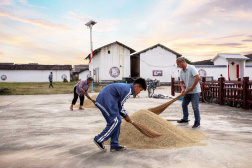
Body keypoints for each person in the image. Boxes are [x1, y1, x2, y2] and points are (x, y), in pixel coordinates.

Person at [93, 77, 147, 152]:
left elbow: (119, 104)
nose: (139, 92)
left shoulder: (127, 88)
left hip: (110, 100)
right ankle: (99, 139)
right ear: (137, 86)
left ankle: (114, 145)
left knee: (118, 121)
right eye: (140, 90)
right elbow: (120, 105)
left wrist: (124, 115)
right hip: (107, 101)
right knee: (115, 121)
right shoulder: (127, 90)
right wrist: (126, 115)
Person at [176, 58, 201, 128]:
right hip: (187, 91)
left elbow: (198, 78)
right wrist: (183, 89)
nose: (178, 65)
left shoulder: (191, 68)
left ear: (182, 62)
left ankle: (197, 122)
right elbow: (181, 82)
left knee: (195, 107)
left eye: (178, 64)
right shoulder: (181, 71)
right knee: (184, 104)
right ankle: (185, 119)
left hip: (195, 91)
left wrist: (192, 87)